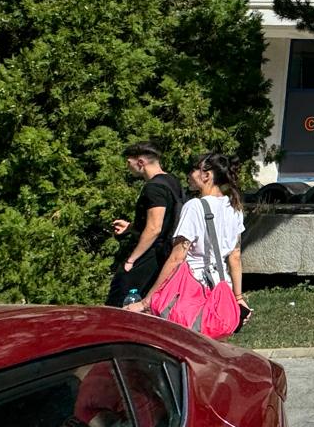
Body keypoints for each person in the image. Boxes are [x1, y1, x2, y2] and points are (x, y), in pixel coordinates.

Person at [129, 152, 248, 334]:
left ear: (206, 175)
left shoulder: (195, 206)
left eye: (194, 170)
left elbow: (177, 257)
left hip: (191, 289)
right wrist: (238, 298)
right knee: (210, 342)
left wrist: (147, 301)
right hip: (221, 288)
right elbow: (235, 256)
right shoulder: (234, 209)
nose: (189, 175)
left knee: (184, 341)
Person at [106, 142, 182, 307]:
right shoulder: (172, 181)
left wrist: (131, 260)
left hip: (149, 256)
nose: (127, 166)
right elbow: (166, 219)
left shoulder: (154, 188)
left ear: (140, 162)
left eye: (129, 162)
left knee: (120, 303)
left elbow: (154, 228)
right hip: (163, 254)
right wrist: (131, 227)